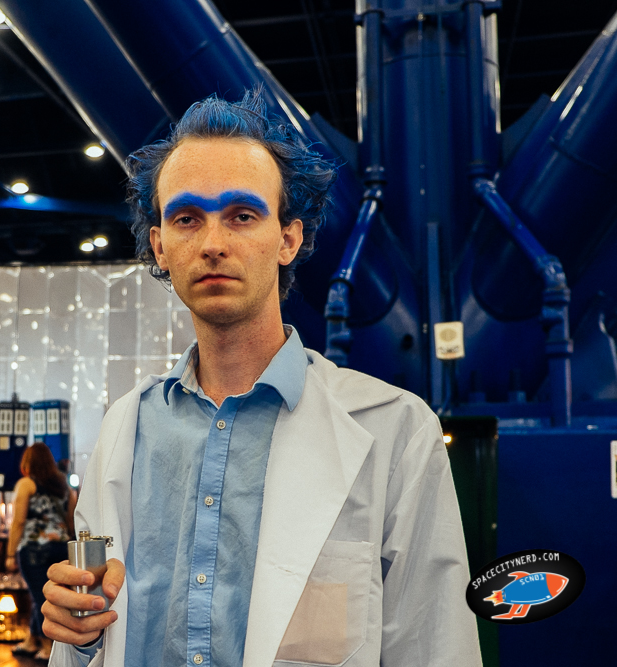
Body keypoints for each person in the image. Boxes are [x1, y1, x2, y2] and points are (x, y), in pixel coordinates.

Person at [42, 91, 482, 667]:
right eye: (186, 219)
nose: (213, 244)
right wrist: (81, 633)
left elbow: (436, 646)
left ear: (288, 239)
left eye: (242, 216)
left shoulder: (394, 433)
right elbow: (90, 638)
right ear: (160, 246)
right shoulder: (125, 429)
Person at [5, 443, 77, 662]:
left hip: (34, 549)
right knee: (48, 595)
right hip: (61, 548)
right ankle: (31, 641)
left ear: (28, 463)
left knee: (41, 598)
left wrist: (10, 554)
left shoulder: (26, 484)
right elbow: (71, 519)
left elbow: (18, 522)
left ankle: (48, 647)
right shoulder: (64, 486)